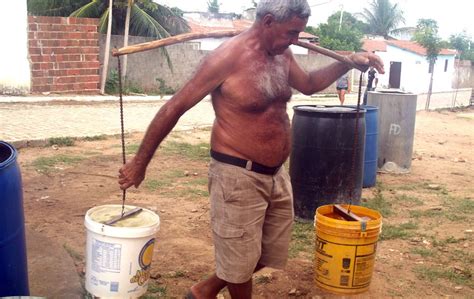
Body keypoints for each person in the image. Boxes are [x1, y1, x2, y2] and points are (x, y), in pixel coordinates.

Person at [118, 0, 384, 298]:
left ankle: (204, 290)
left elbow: (308, 84)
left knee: (265, 253)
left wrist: (346, 61)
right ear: (268, 21)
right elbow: (174, 108)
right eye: (292, 32)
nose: (296, 40)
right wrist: (140, 163)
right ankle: (209, 289)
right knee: (240, 261)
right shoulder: (227, 58)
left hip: (275, 175)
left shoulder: (281, 53)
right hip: (237, 176)